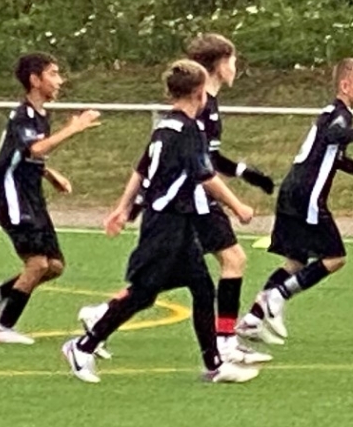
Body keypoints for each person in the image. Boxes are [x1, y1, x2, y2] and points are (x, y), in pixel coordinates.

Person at [82, 34, 276, 368]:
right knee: (230, 261)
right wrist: (132, 205)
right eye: (233, 60)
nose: (236, 67)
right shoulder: (198, 109)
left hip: (189, 202)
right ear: (219, 65)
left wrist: (246, 173)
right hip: (189, 202)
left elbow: (201, 158)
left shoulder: (203, 107)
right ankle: (224, 344)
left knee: (180, 277)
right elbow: (187, 165)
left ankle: (107, 314)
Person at [236, 58, 353, 345]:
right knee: (335, 257)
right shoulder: (339, 115)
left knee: (296, 261)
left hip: (292, 192)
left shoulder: (331, 113)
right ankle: (277, 296)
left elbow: (339, 159)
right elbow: (333, 136)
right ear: (345, 86)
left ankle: (252, 319)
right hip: (307, 196)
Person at [0, 53, 101, 345]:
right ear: (35, 80)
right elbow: (34, 149)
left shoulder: (40, 115)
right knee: (37, 264)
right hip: (13, 196)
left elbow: (25, 154)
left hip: (31, 195)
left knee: (54, 265)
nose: (60, 80)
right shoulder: (22, 115)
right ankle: (2, 327)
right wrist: (74, 128)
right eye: (53, 74)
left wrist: (49, 174)